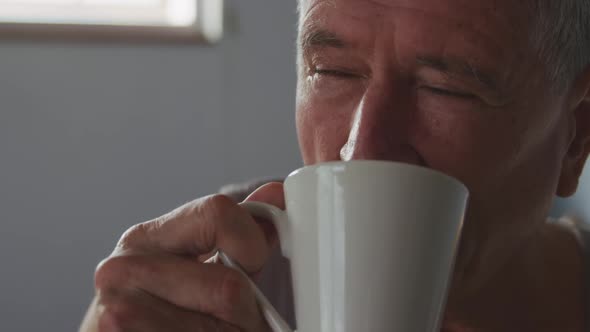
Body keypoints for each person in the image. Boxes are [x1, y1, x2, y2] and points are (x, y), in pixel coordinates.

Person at [79, 0, 590, 331]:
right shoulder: (229, 268)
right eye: (332, 71)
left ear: (576, 137)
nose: (361, 148)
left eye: (445, 89)